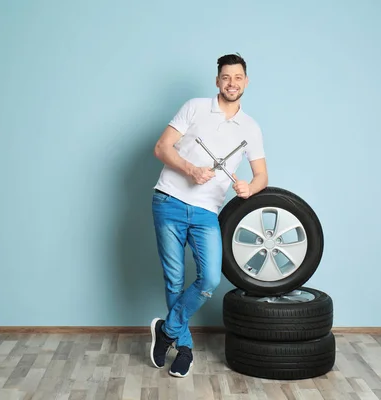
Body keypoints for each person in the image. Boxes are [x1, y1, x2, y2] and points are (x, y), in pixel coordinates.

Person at [149, 53, 268, 377]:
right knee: (174, 280)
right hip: (169, 201)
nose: (232, 83)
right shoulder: (195, 107)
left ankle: (168, 331)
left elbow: (261, 176)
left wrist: (249, 188)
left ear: (246, 81)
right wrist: (189, 169)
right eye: (226, 77)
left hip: (205, 212)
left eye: (238, 77)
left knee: (209, 279)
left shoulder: (251, 127)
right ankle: (184, 348)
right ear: (218, 80)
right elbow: (162, 147)